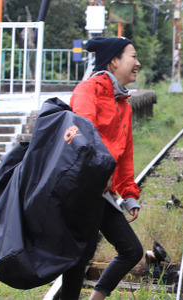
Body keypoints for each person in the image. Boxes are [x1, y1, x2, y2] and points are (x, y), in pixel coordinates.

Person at [61, 36, 143, 300]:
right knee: (82, 255)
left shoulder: (124, 104)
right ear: (114, 60)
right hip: (85, 188)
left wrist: (128, 192)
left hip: (102, 192)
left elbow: (125, 152)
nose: (137, 63)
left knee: (129, 250)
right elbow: (84, 137)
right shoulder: (88, 91)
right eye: (133, 56)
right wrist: (101, 171)